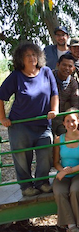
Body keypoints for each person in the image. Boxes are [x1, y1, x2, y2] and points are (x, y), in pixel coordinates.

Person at [0, 42, 59, 196]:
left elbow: (54, 93)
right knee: (21, 157)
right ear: (21, 59)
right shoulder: (16, 76)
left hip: (42, 124)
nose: (32, 58)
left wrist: (55, 109)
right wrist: (2, 118)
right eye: (27, 55)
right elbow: (1, 96)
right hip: (20, 125)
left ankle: (42, 182)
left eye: (34, 54)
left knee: (45, 153)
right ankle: (26, 186)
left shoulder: (46, 72)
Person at [53, 109, 79, 232]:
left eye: (73, 121)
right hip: (63, 173)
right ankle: (71, 225)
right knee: (59, 192)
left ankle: (78, 224)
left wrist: (69, 171)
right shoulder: (59, 140)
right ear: (63, 123)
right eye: (68, 121)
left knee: (75, 191)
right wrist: (62, 171)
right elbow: (55, 162)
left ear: (78, 121)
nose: (71, 124)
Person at [52, 53, 79, 136]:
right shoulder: (49, 76)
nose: (67, 68)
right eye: (64, 65)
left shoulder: (73, 83)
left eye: (70, 66)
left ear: (74, 68)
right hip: (47, 116)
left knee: (66, 140)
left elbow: (75, 104)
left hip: (62, 118)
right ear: (58, 65)